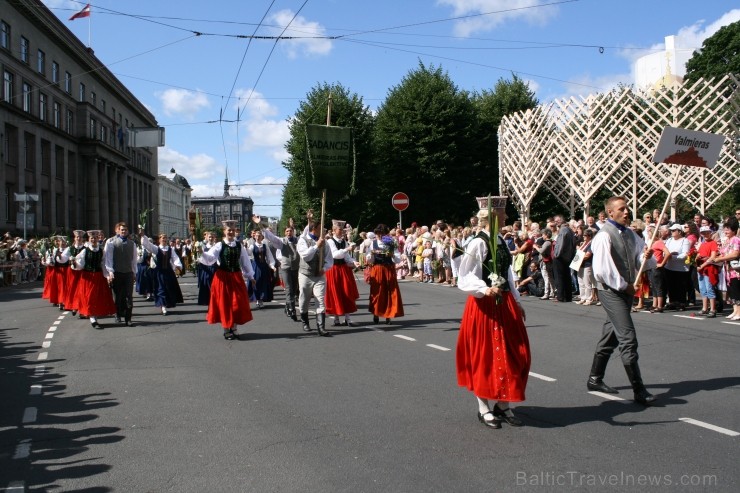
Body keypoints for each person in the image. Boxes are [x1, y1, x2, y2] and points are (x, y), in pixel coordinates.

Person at [456, 196, 530, 429]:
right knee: (486, 354)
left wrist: (516, 300)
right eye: (502, 214)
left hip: (504, 301)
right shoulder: (478, 243)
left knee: (516, 353)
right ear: (492, 218)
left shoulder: (499, 239)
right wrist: (485, 288)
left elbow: (508, 273)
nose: (506, 217)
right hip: (485, 304)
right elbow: (466, 275)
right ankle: (483, 406)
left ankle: (502, 403)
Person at [587, 196, 656, 406]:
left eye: (627, 209)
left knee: (611, 335)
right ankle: (639, 389)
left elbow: (640, 261)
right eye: (622, 209)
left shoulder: (631, 235)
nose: (627, 212)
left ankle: (595, 378)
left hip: (625, 289)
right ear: (610, 212)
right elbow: (602, 271)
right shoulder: (603, 236)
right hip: (611, 291)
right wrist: (625, 286)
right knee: (627, 338)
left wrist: (646, 255)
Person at [198, 220, 257, 340]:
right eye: (228, 230)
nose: (231, 232)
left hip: (236, 277)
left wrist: (251, 276)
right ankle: (226, 328)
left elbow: (245, 262)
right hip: (223, 277)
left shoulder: (239, 245)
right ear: (224, 232)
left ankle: (234, 327)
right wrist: (201, 253)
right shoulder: (219, 245)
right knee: (224, 303)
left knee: (237, 303)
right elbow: (210, 258)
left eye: (233, 230)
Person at [296, 212, 334, 336]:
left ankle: (321, 327)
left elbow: (329, 259)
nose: (323, 231)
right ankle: (305, 321)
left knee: (320, 300)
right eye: (320, 229)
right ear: (314, 229)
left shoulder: (325, 243)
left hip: (319, 275)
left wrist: (325, 268)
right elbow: (306, 256)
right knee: (304, 299)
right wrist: (316, 246)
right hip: (305, 274)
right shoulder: (303, 240)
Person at [73, 230, 117, 329]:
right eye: (91, 238)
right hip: (87, 277)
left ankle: (94, 316)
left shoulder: (101, 251)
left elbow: (104, 264)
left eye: (95, 238)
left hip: (98, 276)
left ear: (98, 239)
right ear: (89, 239)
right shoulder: (85, 251)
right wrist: (75, 264)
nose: (93, 240)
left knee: (97, 297)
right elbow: (80, 263)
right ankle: (92, 318)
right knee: (89, 297)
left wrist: (108, 275)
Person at [259, 218, 300, 321]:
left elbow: (307, 233)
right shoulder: (281, 242)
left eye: (290, 231)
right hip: (286, 268)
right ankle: (292, 309)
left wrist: (309, 220)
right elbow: (271, 237)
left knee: (294, 289)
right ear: (284, 233)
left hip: (296, 268)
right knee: (289, 289)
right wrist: (260, 224)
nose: (289, 232)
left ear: (293, 232)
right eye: (287, 231)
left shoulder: (298, 241)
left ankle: (287, 305)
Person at [366, 223, 405, 325]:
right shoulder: (372, 243)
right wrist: (371, 254)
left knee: (389, 292)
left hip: (388, 269)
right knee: (377, 292)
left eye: (382, 234)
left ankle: (389, 315)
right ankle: (376, 313)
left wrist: (391, 254)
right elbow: (370, 260)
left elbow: (397, 259)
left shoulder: (391, 243)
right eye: (378, 234)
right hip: (377, 269)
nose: (380, 236)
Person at [325, 219, 361, 327]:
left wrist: (354, 262)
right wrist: (347, 249)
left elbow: (346, 257)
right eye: (340, 230)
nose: (342, 232)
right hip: (334, 269)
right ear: (334, 230)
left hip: (343, 269)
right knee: (335, 293)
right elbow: (335, 254)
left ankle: (348, 318)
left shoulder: (343, 241)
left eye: (342, 230)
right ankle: (336, 318)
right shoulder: (330, 242)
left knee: (346, 292)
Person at [141, 232, 184, 315]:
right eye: (162, 238)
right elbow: (147, 245)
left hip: (168, 272)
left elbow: (175, 258)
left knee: (168, 288)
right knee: (161, 288)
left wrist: (178, 265)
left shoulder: (170, 249)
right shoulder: (157, 249)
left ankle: (166, 303)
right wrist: (143, 236)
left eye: (165, 238)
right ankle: (163, 306)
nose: (164, 240)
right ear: (159, 240)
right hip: (159, 272)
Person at [104, 222, 138, 326]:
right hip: (117, 273)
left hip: (128, 273)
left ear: (127, 232)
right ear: (118, 231)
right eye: (122, 230)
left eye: (125, 230)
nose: (123, 231)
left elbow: (134, 260)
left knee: (129, 297)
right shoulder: (111, 243)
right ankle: (117, 315)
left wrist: (134, 272)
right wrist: (110, 272)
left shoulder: (132, 244)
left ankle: (128, 318)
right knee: (117, 297)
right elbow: (108, 259)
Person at [713, 217, 740, 321]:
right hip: (727, 270)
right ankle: (735, 310)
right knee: (731, 291)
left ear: (733, 230)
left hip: (735, 270)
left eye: (728, 229)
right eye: (725, 229)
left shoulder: (736, 240)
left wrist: (720, 258)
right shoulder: (727, 241)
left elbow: (735, 253)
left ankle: (739, 311)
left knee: (736, 291)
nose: (725, 231)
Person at [59, 230, 87, 316]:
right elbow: (63, 258)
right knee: (73, 289)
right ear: (74, 238)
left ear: (83, 239)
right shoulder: (70, 248)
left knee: (82, 290)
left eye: (80, 237)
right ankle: (74, 306)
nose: (79, 238)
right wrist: (59, 256)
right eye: (77, 237)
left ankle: (81, 308)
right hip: (72, 272)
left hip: (82, 272)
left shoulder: (85, 249)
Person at [695, 226, 719, 318]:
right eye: (703, 233)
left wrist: (702, 265)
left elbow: (712, 257)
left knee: (710, 289)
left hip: (708, 269)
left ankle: (713, 309)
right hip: (701, 269)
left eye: (707, 232)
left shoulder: (713, 243)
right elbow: (698, 255)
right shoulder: (702, 244)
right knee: (702, 289)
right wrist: (696, 260)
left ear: (710, 233)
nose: (705, 234)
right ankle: (704, 308)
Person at [553, 215, 576, 302]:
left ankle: (560, 296)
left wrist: (556, 254)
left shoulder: (563, 230)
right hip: (567, 257)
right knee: (567, 276)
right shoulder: (570, 230)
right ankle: (568, 296)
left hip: (561, 257)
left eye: (556, 221)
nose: (555, 223)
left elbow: (560, 244)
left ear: (560, 221)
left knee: (559, 277)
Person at [250, 229, 276, 308]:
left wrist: (272, 266)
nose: (258, 237)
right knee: (256, 282)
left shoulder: (265, 246)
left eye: (259, 236)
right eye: (256, 236)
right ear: (254, 237)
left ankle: (261, 298)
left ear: (262, 237)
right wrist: (244, 247)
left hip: (264, 266)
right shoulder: (252, 246)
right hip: (256, 266)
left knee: (264, 282)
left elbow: (269, 256)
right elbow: (248, 252)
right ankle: (257, 299)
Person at [196, 231, 217, 306]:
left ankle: (214, 301)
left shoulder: (216, 247)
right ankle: (207, 301)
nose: (211, 238)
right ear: (207, 238)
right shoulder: (204, 247)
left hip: (215, 268)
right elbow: (200, 257)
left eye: (212, 237)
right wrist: (198, 260)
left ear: (214, 238)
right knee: (206, 284)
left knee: (215, 285)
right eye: (209, 237)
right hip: (205, 268)